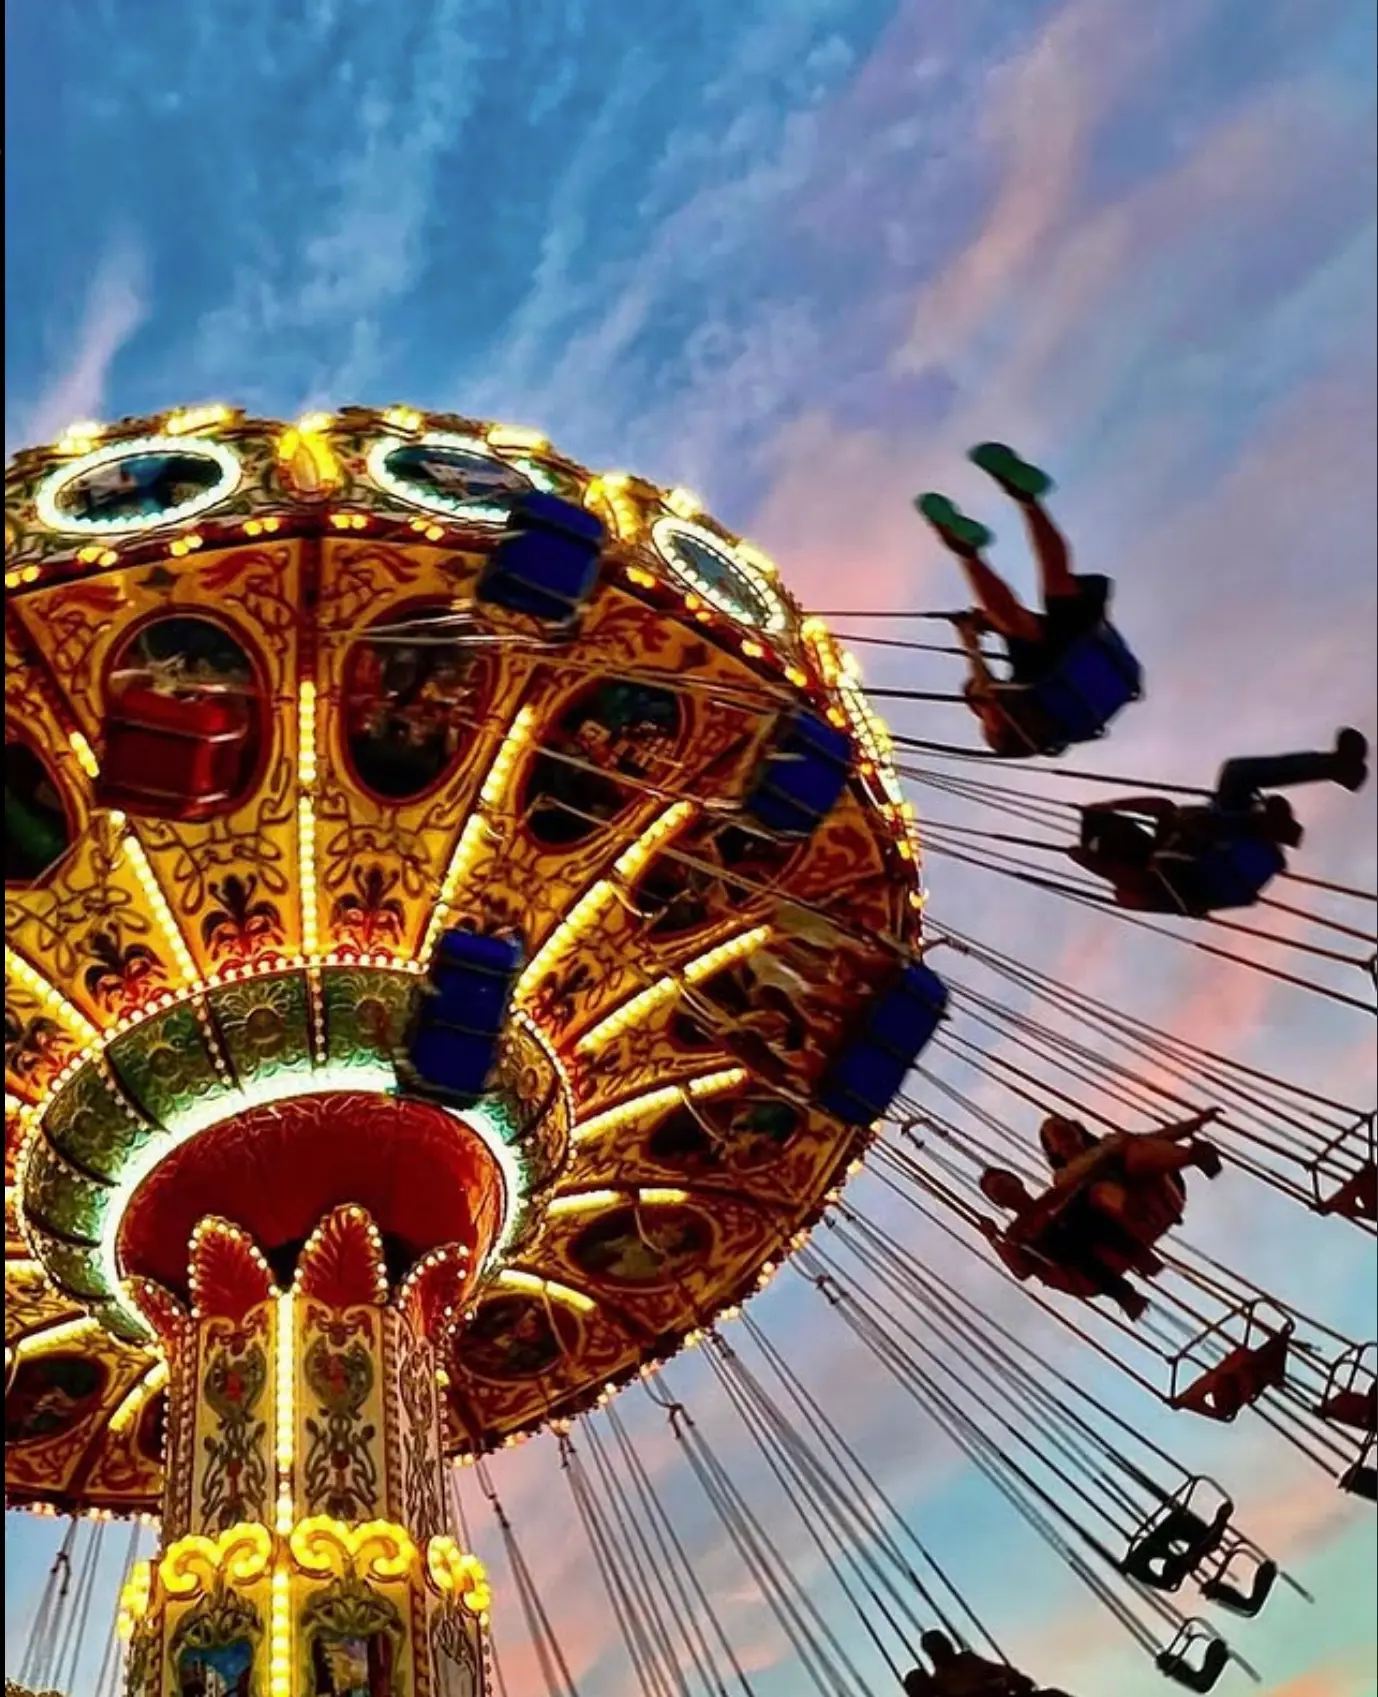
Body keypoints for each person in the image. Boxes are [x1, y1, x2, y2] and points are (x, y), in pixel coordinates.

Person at [915, 445, 1120, 757]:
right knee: (1045, 593)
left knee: (1050, 589)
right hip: (1068, 663)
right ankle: (972, 549)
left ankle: (1024, 499)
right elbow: (987, 695)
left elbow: (1015, 620)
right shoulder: (1026, 701)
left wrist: (987, 624)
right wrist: (971, 643)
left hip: (1084, 649)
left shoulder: (1031, 680)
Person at [1070, 730, 1369, 915]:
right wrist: (1093, 861)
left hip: (1216, 844)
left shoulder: (1161, 841)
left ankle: (1335, 766)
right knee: (1199, 825)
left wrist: (1111, 806)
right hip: (1207, 866)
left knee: (1235, 774)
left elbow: (1159, 806)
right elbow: (1125, 891)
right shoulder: (1144, 883)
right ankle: (1259, 823)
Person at [1037, 1110, 1223, 1248]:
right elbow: (1074, 1180)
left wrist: (1197, 1122)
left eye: (1066, 1128)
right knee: (1099, 1186)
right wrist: (1107, 1153)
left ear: (1078, 1131)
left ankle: (1193, 1156)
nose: (1065, 1135)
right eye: (1057, 1133)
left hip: (1152, 1189)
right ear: (1053, 1149)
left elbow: (1157, 1137)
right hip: (1117, 1216)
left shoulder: (1109, 1142)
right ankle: (1132, 1206)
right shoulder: (1063, 1175)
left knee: (1136, 1149)